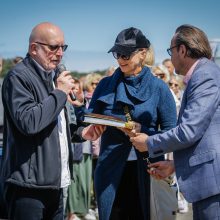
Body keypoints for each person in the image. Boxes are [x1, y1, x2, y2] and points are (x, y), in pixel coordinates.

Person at [0, 22, 105, 220]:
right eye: (53, 47)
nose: (59, 53)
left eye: (62, 47)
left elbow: (56, 127)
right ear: (34, 48)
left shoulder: (54, 78)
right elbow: (29, 122)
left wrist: (82, 133)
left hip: (56, 184)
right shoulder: (18, 77)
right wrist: (59, 93)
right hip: (28, 187)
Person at [129, 24, 220, 220]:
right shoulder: (204, 74)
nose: (170, 57)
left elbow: (189, 131)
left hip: (213, 184)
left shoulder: (204, 75)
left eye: (171, 51)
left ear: (182, 50)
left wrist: (149, 143)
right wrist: (174, 165)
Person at [87, 27, 177, 220]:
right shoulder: (104, 85)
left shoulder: (159, 88)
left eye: (125, 53)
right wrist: (91, 127)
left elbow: (172, 133)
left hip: (148, 171)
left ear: (143, 53)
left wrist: (143, 131)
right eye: (117, 53)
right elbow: (88, 118)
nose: (120, 59)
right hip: (110, 172)